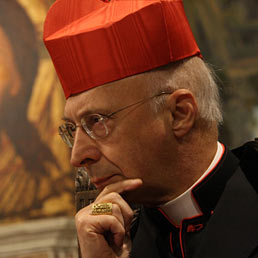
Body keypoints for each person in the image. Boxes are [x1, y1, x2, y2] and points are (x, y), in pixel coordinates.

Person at [43, 0, 258, 257]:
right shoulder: (114, 238)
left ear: (179, 114)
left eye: (97, 121)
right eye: (72, 129)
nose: (77, 156)